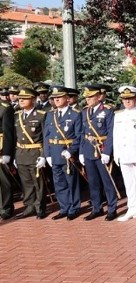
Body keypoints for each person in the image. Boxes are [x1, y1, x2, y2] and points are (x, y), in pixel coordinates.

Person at [113, 86, 136, 222]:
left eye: (130, 99)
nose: (127, 102)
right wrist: (116, 154)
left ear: (135, 99)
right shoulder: (118, 115)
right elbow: (116, 136)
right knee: (129, 184)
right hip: (124, 155)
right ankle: (132, 209)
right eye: (125, 99)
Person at [43, 86, 82, 220]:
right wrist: (47, 154)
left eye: (59, 97)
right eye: (55, 98)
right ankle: (64, 207)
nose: (57, 100)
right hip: (54, 152)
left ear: (67, 98)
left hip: (67, 154)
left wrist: (71, 151)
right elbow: (46, 136)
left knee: (71, 181)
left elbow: (79, 136)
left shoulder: (75, 114)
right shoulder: (50, 115)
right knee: (58, 182)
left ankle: (74, 208)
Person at [80, 84, 117, 221]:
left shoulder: (107, 111)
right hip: (89, 150)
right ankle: (97, 208)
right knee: (93, 182)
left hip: (102, 149)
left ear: (98, 97)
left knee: (107, 181)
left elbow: (111, 133)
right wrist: (81, 152)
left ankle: (112, 208)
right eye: (87, 97)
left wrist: (107, 152)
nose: (88, 100)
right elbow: (82, 134)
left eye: (90, 97)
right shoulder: (85, 112)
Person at [14, 88, 47, 219]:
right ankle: (29, 206)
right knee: (26, 182)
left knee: (38, 182)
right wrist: (14, 155)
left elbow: (45, 137)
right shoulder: (17, 115)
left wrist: (43, 156)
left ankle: (40, 207)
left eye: (24, 98)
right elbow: (14, 137)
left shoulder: (41, 115)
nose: (21, 100)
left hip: (35, 152)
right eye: (20, 98)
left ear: (33, 99)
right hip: (21, 152)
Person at [0, 92, 15, 219]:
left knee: (3, 181)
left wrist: (6, 153)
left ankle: (5, 208)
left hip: (0, 149)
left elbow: (8, 132)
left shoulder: (5, 108)